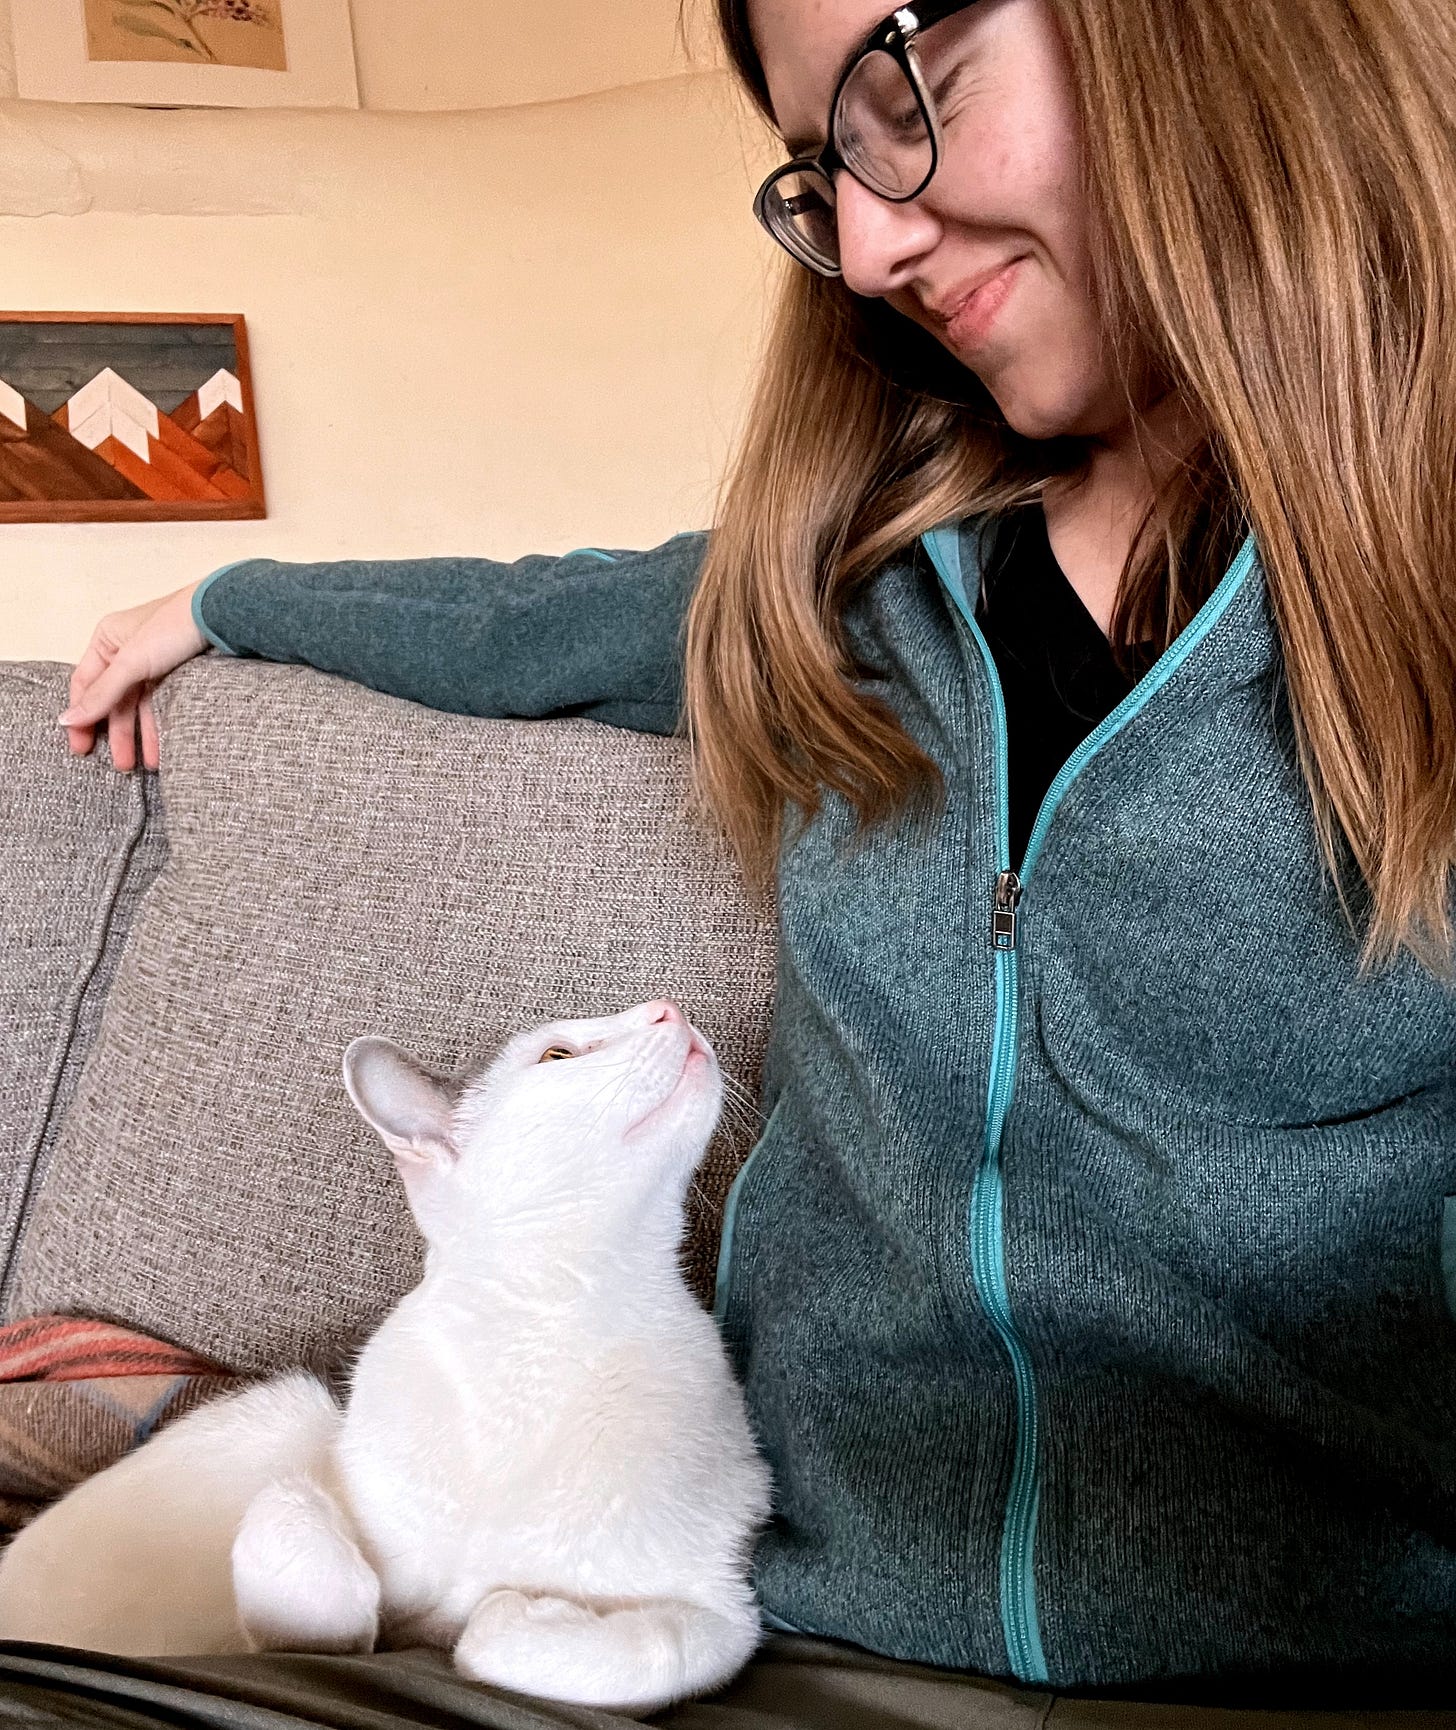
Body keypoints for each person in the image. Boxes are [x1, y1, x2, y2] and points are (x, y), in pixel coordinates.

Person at [46, 0, 1456, 1720]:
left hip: (1342, 1665)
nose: (866, 246)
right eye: (821, 168)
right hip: (776, 1622)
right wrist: (215, 603)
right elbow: (522, 615)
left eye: (907, 94)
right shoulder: (846, 588)